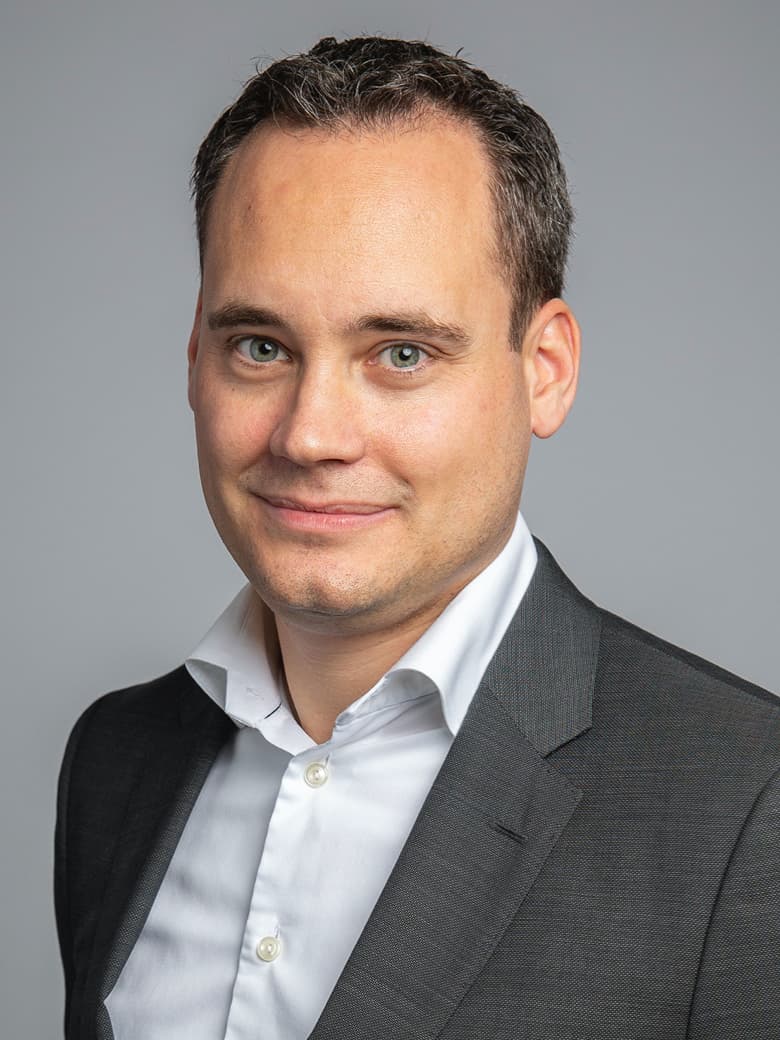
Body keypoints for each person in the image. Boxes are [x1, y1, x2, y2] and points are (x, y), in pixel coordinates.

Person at [55, 35, 779, 1040]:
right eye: (259, 346)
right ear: (194, 360)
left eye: (401, 352)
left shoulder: (747, 804)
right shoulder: (116, 757)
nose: (311, 434)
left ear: (547, 369)